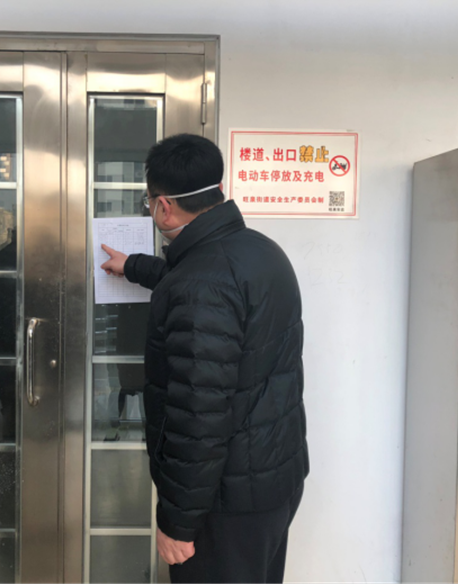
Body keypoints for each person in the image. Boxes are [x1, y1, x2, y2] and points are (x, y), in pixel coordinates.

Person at [101, 134, 309, 584]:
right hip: (272, 478)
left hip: (224, 502)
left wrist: (178, 521)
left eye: (149, 202)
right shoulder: (259, 250)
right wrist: (134, 266)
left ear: (163, 206)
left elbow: (199, 414)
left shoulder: (201, 283)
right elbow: (199, 282)